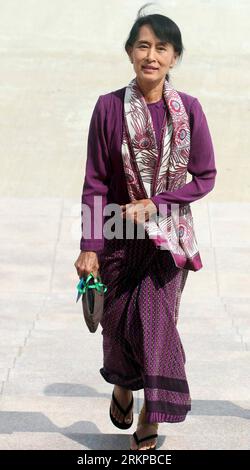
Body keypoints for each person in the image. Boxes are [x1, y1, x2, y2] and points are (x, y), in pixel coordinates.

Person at [74, 5, 217, 451]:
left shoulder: (189, 111)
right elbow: (95, 181)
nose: (151, 55)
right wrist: (89, 245)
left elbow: (205, 176)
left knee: (155, 323)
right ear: (129, 53)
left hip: (168, 241)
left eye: (161, 47)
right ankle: (121, 384)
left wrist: (157, 203)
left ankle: (150, 417)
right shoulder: (108, 108)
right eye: (143, 45)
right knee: (117, 325)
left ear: (175, 57)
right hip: (118, 235)